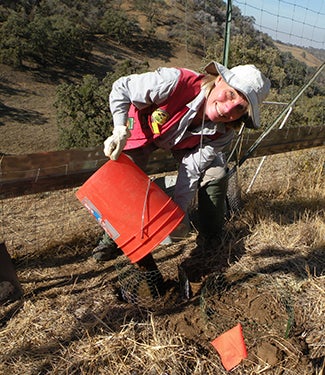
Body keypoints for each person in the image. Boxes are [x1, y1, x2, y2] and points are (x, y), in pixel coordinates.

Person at [92, 61, 271, 261]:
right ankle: (112, 237)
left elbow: (191, 169)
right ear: (219, 80)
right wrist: (119, 128)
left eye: (239, 108)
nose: (228, 108)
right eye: (230, 94)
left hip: (180, 142)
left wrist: (177, 211)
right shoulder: (174, 82)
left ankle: (210, 239)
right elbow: (121, 87)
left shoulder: (222, 133)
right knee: (127, 174)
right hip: (143, 126)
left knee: (216, 172)